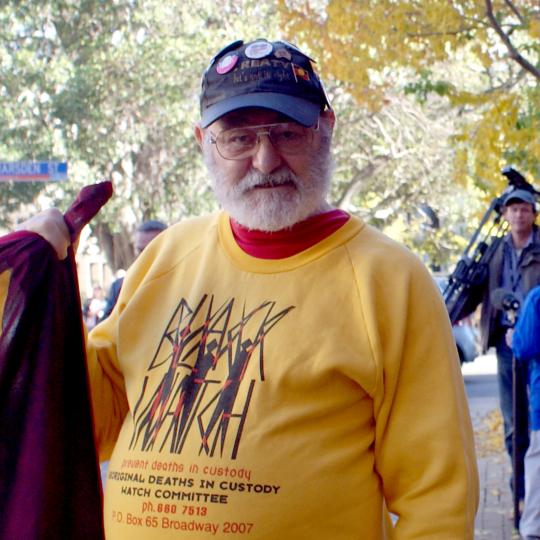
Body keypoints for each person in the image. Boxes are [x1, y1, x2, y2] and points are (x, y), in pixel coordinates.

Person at [12, 38, 478, 539]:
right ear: (203, 140)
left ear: (326, 129)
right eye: (238, 138)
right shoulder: (165, 257)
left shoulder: (389, 280)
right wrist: (25, 285)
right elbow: (83, 422)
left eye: (287, 133)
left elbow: (438, 500)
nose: (265, 159)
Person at [459, 188, 540, 502]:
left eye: (524, 209)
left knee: (536, 419)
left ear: (533, 214)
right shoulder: (494, 251)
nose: (518, 215)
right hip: (506, 345)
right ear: (505, 215)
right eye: (513, 209)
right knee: (513, 422)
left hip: (535, 342)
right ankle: (521, 493)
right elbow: (474, 293)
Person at [509, 285, 540, 539]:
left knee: (538, 463)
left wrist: (513, 338)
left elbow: (525, 345)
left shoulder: (537, 298)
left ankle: (532, 527)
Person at [100, 220, 167, 320]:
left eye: (152, 250)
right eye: (140, 250)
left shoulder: (183, 284)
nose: (144, 256)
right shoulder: (119, 287)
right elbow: (106, 325)